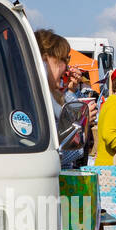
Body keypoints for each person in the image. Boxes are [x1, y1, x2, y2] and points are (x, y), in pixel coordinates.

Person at [36, 28, 97, 166]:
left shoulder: (52, 95)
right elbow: (57, 155)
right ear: (44, 60)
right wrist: (83, 123)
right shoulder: (37, 100)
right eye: (63, 59)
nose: (67, 67)